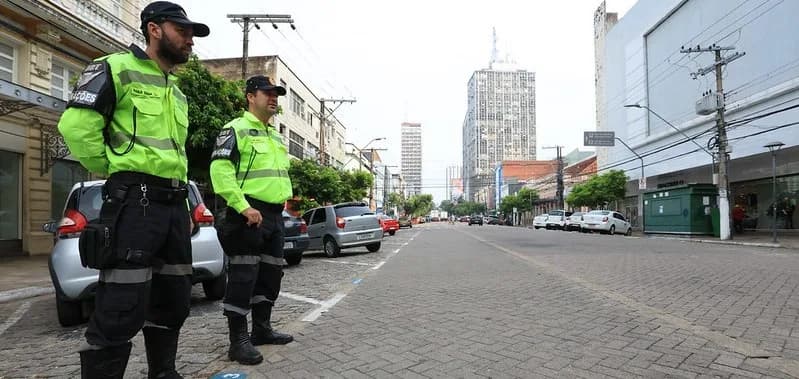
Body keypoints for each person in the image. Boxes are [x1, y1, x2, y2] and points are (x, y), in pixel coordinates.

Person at [57, 2, 209, 377]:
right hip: (134, 203)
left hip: (174, 206)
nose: (190, 40)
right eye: (183, 31)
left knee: (173, 299)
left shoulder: (177, 91)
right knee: (122, 303)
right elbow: (75, 127)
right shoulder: (114, 67)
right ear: (154, 29)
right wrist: (117, 169)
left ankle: (163, 372)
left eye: (192, 34)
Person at [209, 75, 295, 365]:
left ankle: (261, 330)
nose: (273, 98)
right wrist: (243, 207)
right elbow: (220, 173)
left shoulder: (275, 136)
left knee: (271, 276)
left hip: (273, 215)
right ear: (249, 96)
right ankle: (238, 341)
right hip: (247, 215)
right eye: (267, 92)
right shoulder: (235, 129)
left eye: (277, 94)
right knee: (243, 277)